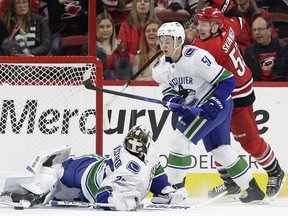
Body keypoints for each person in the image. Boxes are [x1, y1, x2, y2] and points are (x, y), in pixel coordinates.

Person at [152, 21, 265, 203]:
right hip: (199, 108)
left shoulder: (196, 57)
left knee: (178, 141)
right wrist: (175, 102)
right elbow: (168, 92)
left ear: (180, 40)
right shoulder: (160, 68)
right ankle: (253, 190)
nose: (163, 45)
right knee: (221, 151)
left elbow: (228, 80)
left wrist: (215, 101)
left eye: (168, 40)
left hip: (216, 105)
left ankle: (174, 192)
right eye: (161, 40)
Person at [191, 4, 286, 200]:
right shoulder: (228, 26)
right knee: (218, 141)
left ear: (215, 26)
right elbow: (239, 18)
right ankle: (231, 182)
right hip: (231, 91)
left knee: (248, 141)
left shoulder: (206, 48)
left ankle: (276, 172)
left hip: (237, 96)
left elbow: (193, 72)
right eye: (199, 23)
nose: (200, 28)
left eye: (205, 25)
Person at [0, 125, 188, 211]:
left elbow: (154, 170)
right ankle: (32, 192)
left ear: (147, 146)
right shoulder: (124, 164)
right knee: (57, 170)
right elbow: (102, 194)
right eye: (132, 144)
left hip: (92, 166)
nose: (136, 148)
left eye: (139, 145)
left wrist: (165, 190)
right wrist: (114, 200)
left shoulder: (151, 152)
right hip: (87, 173)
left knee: (63, 180)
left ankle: (43, 191)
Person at [82, 11, 132, 80]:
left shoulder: (121, 46)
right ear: (96, 28)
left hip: (118, 86)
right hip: (98, 84)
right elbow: (88, 72)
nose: (105, 30)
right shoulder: (88, 47)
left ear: (113, 27)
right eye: (101, 27)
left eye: (108, 26)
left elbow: (126, 72)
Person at [244, 16, 288, 81]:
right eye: (254, 30)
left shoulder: (284, 48)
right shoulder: (249, 52)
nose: (257, 33)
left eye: (260, 29)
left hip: (280, 87)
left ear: (269, 31)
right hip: (258, 88)